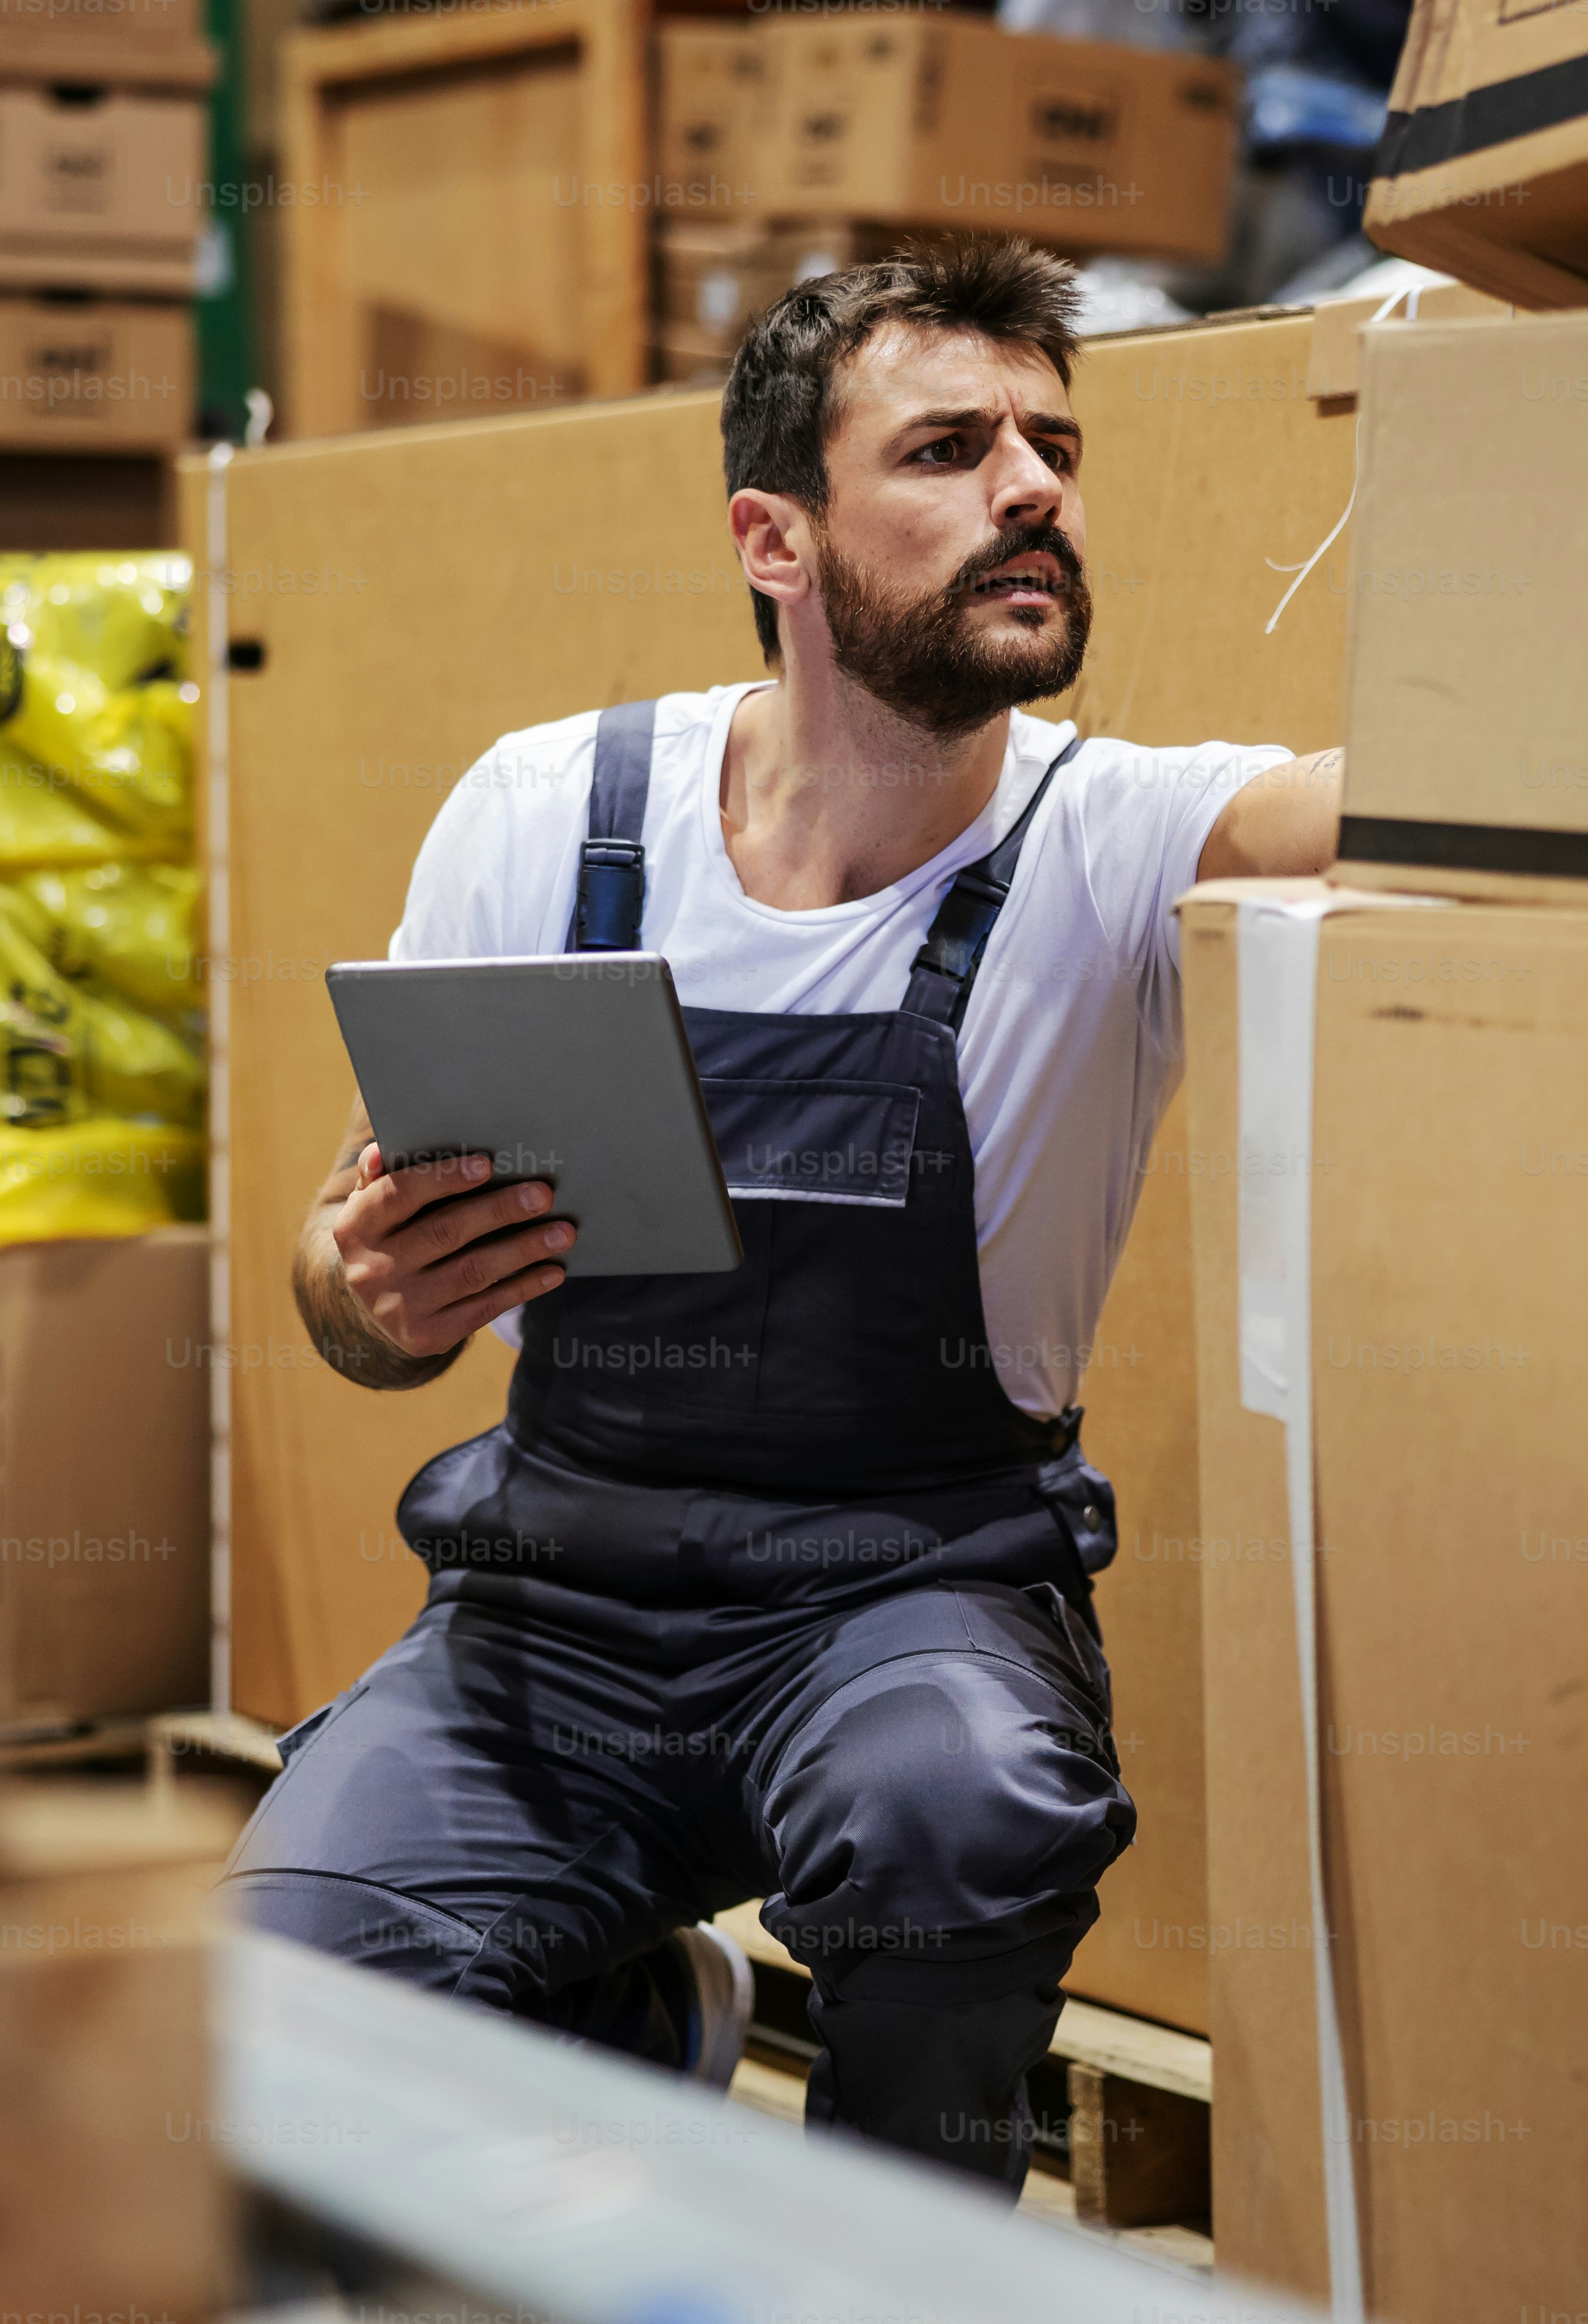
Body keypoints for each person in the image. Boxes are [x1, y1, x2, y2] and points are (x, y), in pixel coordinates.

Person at [220, 234, 1342, 2189]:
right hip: (551, 1609)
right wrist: (366, 1294)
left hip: (906, 1597)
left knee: (963, 1820)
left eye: (1054, 447)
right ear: (776, 538)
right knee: (274, 2001)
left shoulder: (1111, 832)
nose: (1033, 491)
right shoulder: (552, 814)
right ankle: (620, 2021)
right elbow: (340, 1280)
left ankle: (904, 2260)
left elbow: (1446, 799)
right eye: (948, 450)